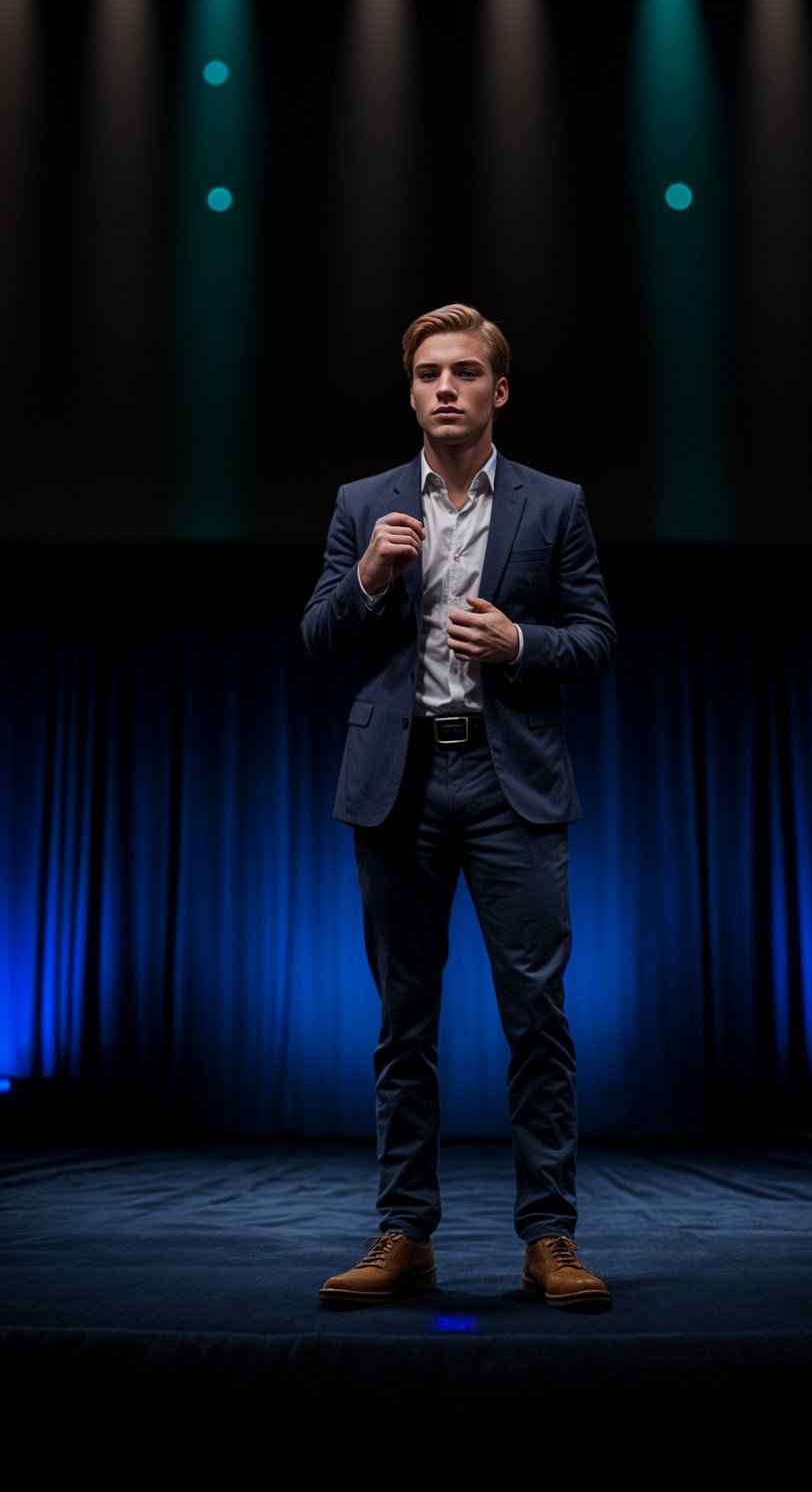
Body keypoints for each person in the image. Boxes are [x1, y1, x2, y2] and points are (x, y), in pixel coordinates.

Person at [301, 302, 617, 1311]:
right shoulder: (363, 502)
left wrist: (520, 644)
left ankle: (549, 1240)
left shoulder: (554, 503)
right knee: (405, 1024)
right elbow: (317, 638)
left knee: (537, 1019)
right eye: (429, 371)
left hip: (507, 784)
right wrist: (367, 577)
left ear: (498, 390)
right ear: (410, 391)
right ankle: (405, 1236)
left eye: (466, 372)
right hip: (399, 790)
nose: (446, 386)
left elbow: (597, 637)